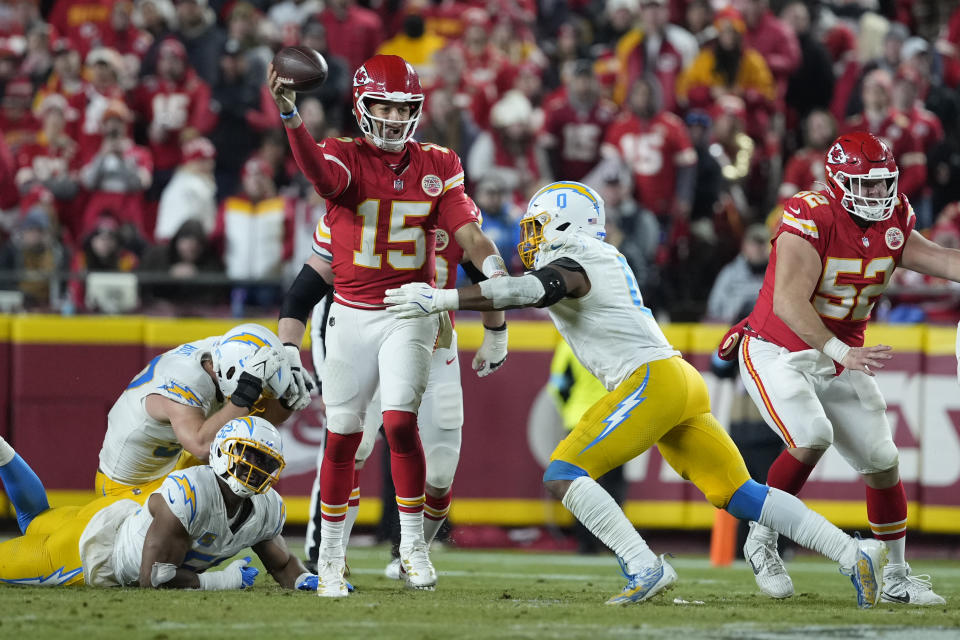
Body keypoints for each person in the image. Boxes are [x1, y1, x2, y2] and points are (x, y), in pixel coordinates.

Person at [384, 180, 888, 608]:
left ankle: (643, 566)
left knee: (563, 473)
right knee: (741, 494)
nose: (530, 239)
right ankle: (852, 552)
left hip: (652, 379)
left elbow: (533, 290)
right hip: (674, 378)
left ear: (566, 225)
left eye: (536, 227)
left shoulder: (578, 254)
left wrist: (442, 297)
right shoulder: (597, 254)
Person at [267, 53, 507, 597]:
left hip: (416, 312)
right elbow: (320, 188)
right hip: (352, 314)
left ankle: (414, 546)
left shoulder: (439, 166)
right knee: (346, 437)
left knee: (404, 429)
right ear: (361, 105)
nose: (395, 119)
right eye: (383, 106)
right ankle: (328, 556)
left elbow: (470, 243)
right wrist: (291, 117)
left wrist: (497, 290)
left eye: (405, 109)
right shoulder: (342, 159)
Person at [721, 132, 947, 605]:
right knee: (811, 434)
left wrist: (841, 354)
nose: (877, 195)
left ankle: (898, 578)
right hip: (775, 347)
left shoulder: (895, 216)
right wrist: (840, 352)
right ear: (837, 182)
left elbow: (940, 260)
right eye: (865, 185)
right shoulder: (810, 213)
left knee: (882, 460)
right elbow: (787, 301)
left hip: (840, 354)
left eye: (883, 183)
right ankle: (762, 542)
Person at [304, 214, 509, 578]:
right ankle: (331, 553)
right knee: (352, 444)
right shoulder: (360, 198)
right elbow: (317, 286)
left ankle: (412, 555)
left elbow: (481, 268)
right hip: (365, 335)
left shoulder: (448, 202)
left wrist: (496, 334)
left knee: (442, 466)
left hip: (432, 341)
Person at [0, 416, 319, 591]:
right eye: (247, 454)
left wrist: (310, 581)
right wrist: (220, 580)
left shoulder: (267, 508)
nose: (254, 467)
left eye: (264, 460)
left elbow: (282, 565)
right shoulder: (192, 490)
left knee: (37, 517)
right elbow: (152, 577)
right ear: (222, 452)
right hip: (90, 554)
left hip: (113, 517)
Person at [95, 322, 293, 499]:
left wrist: (287, 400)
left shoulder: (228, 356)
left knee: (239, 467)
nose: (258, 397)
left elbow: (258, 423)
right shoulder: (180, 380)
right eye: (258, 389)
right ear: (234, 373)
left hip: (172, 464)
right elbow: (202, 445)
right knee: (204, 509)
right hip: (126, 487)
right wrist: (247, 391)